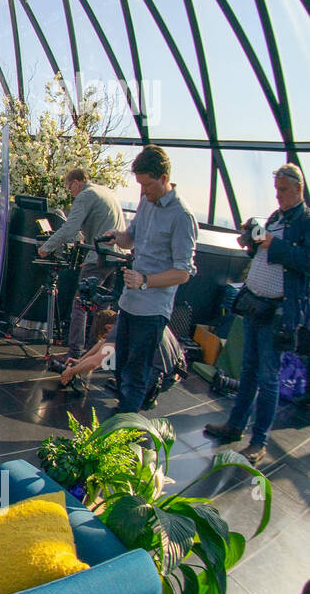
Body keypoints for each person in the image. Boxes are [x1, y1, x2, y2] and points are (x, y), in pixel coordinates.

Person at [204, 164, 310, 466]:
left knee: (268, 377)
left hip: (277, 312)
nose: (278, 196)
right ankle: (235, 426)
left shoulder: (305, 221)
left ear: (298, 188)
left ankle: (259, 440)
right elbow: (264, 254)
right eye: (275, 190)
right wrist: (253, 241)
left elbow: (306, 260)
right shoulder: (277, 217)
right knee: (247, 370)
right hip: (256, 304)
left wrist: (275, 245)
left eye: (283, 190)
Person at [107, 146, 197, 415]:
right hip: (130, 302)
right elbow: (130, 237)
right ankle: (121, 419)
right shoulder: (146, 202)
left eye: (147, 185)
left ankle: (124, 428)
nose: (143, 192)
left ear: (164, 177)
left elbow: (183, 272)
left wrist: (145, 280)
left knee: (137, 370)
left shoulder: (182, 216)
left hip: (152, 308)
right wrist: (117, 237)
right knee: (120, 365)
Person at [37, 168, 127, 359]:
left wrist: (47, 246)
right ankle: (93, 353)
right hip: (117, 258)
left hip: (99, 257)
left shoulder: (86, 195)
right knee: (102, 309)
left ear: (76, 183)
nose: (69, 191)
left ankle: (74, 353)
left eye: (69, 186)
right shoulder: (106, 192)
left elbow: (70, 228)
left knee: (81, 304)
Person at [49, 309, 117, 392]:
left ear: (108, 327)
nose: (104, 339)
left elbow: (94, 362)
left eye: (104, 336)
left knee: (112, 358)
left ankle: (127, 382)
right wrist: (80, 361)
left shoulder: (117, 333)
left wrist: (70, 372)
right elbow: (102, 343)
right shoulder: (120, 324)